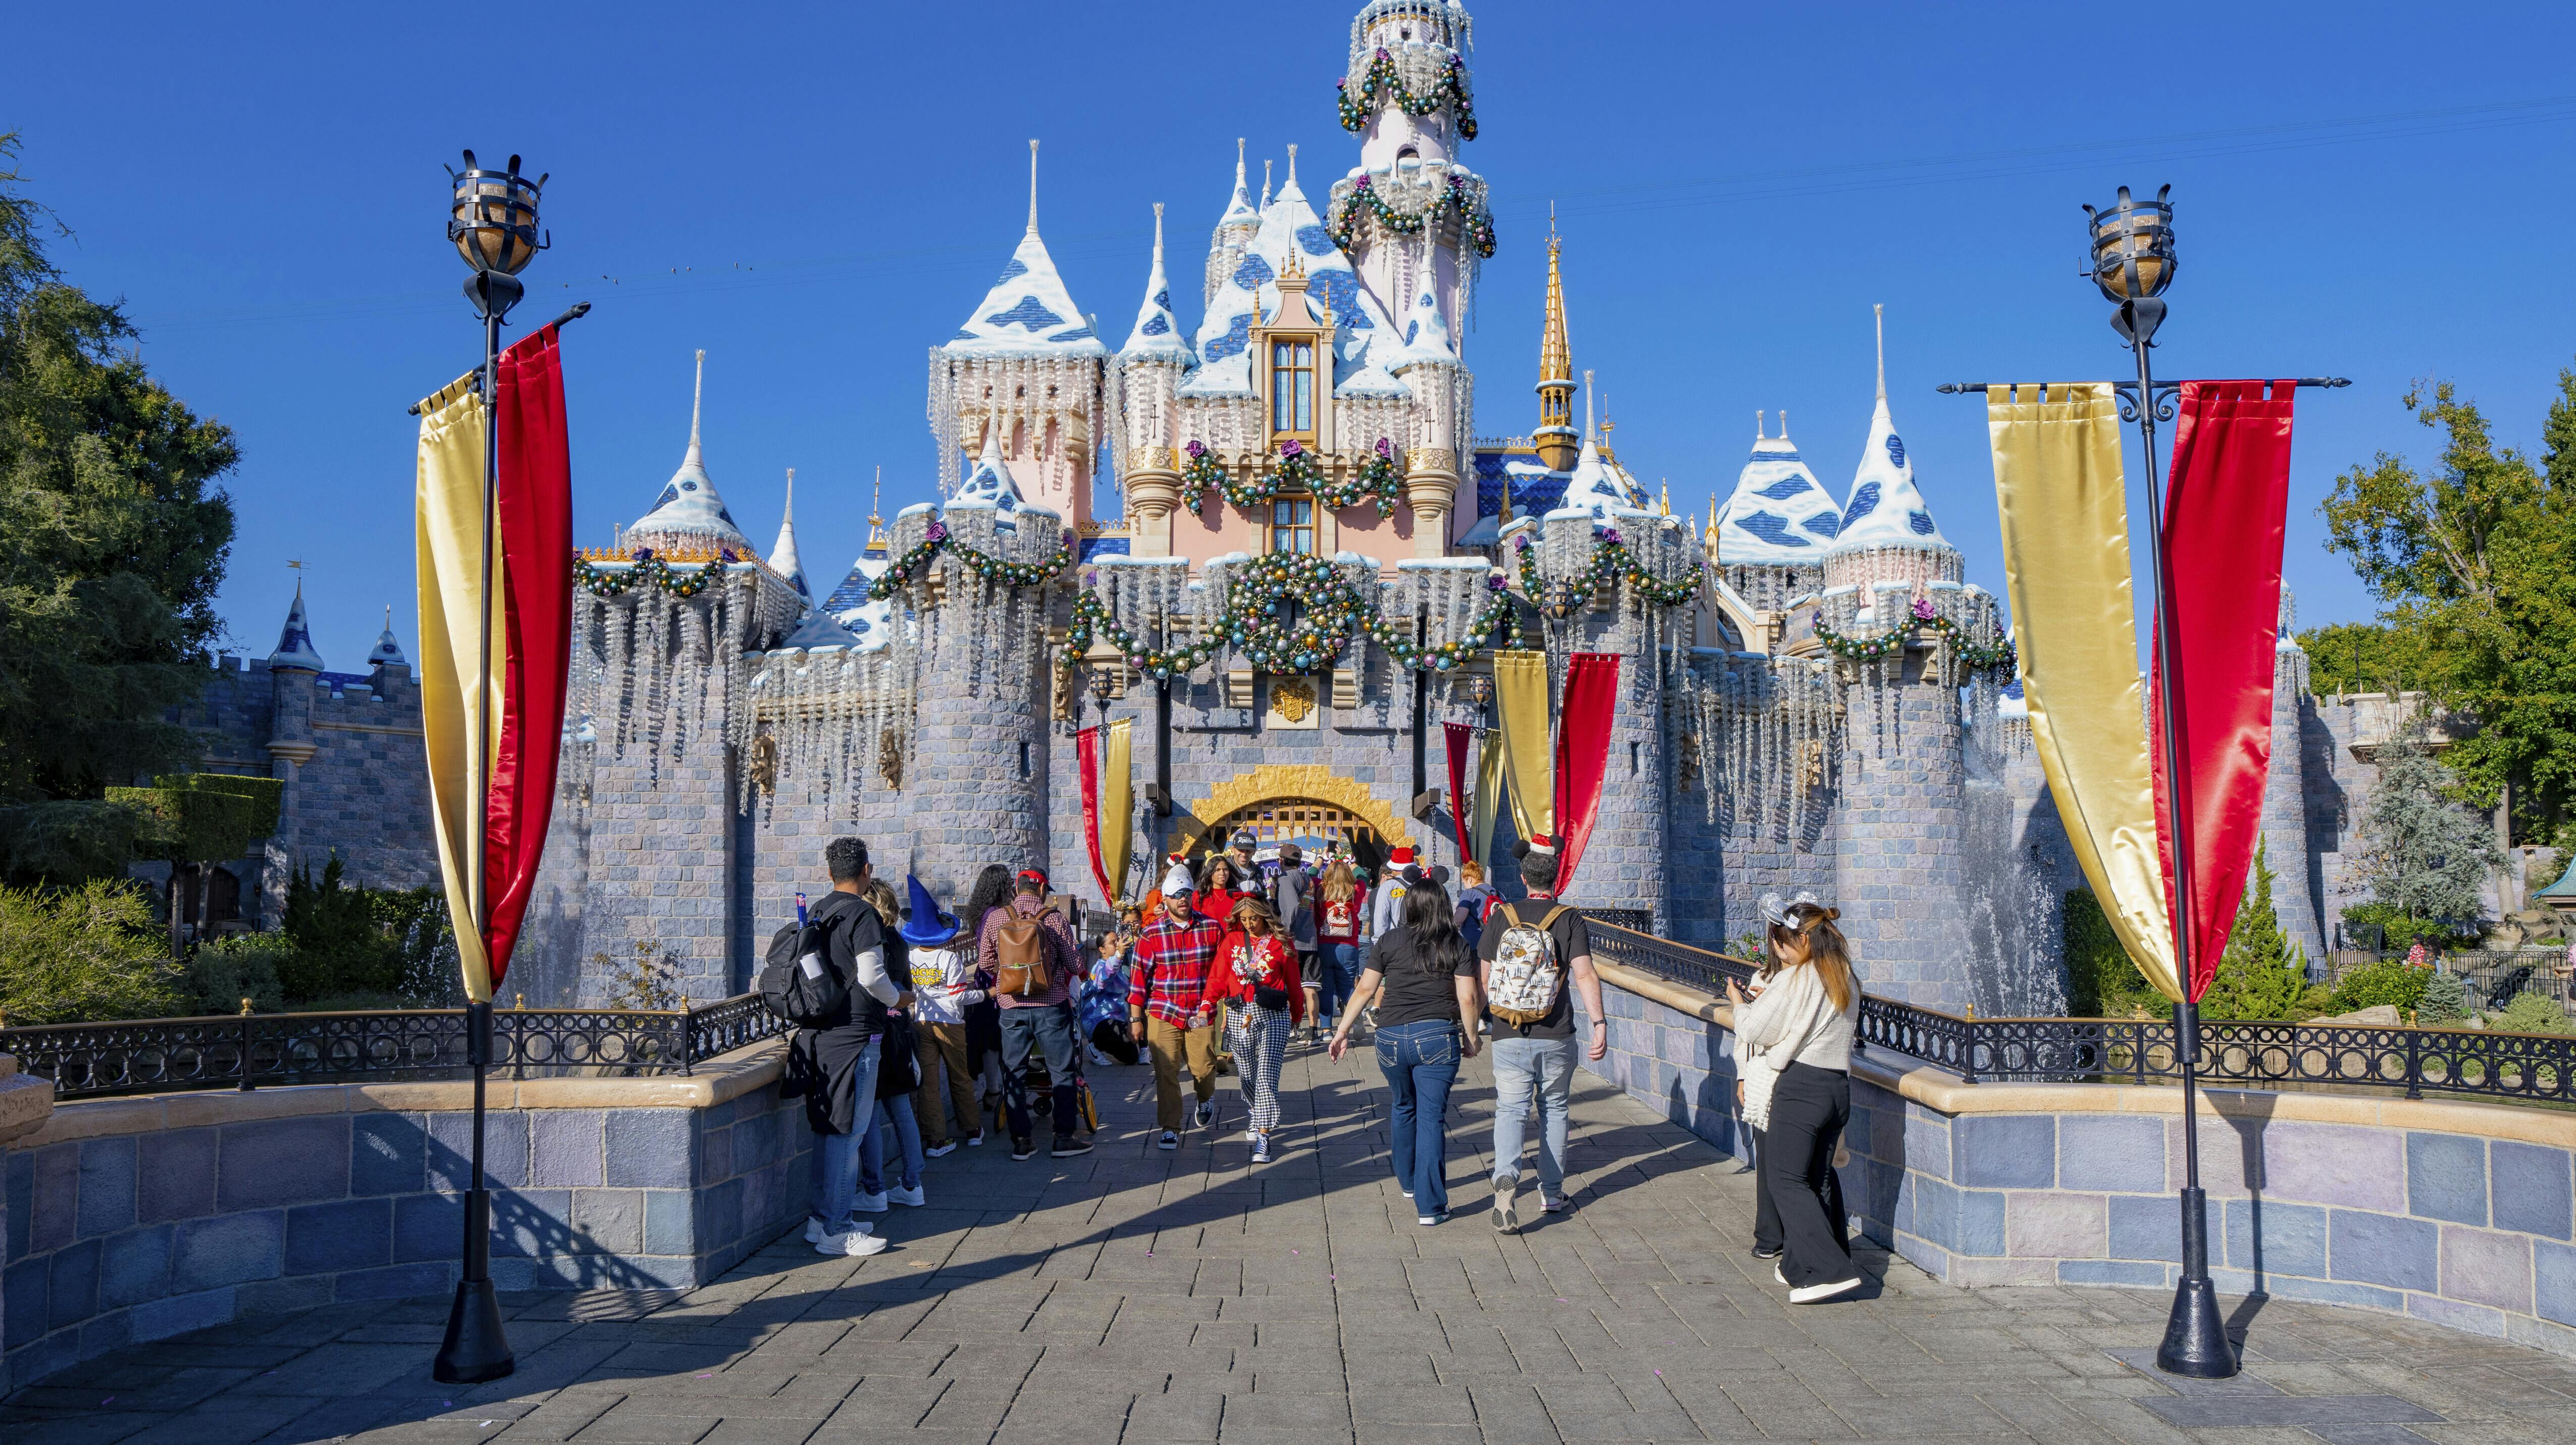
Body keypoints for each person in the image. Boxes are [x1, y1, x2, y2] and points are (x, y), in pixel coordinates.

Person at [1724, 894, 1863, 1304]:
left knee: (1785, 1179)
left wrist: (1737, 1002)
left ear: (1799, 941)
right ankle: (1803, 1263)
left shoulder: (1797, 978)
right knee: (1816, 1178)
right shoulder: (1844, 974)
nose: (1778, 950)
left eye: (1780, 941)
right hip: (1837, 1086)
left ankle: (1830, 1270)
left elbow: (1754, 1028)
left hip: (1802, 1087)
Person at [1331, 876, 1478, 1223]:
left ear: (1407, 906)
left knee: (1402, 1105)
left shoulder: (1389, 940)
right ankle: (1430, 1206)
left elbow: (1366, 988)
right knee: (1431, 1117)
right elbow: (1468, 997)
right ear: (1443, 906)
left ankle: (1408, 1181)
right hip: (1436, 1036)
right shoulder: (1455, 943)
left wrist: (1341, 1030)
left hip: (1391, 1037)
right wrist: (1471, 1037)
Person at [1479, 835, 1608, 1233]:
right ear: (1556, 878)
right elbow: (1584, 972)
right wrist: (1599, 1023)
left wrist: (1503, 1007)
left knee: (1511, 1109)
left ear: (1522, 876)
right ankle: (1551, 1193)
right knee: (1554, 1108)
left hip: (1508, 1031)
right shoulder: (1568, 917)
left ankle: (1505, 1187)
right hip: (1556, 1031)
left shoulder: (1502, 915)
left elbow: (1484, 975)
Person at [784, 836, 904, 1257]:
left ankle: (821, 1220)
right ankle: (838, 1227)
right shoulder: (864, 914)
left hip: (818, 1035)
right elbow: (873, 977)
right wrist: (900, 999)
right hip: (855, 1035)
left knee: (826, 1129)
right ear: (867, 871)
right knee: (848, 1133)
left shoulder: (818, 910)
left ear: (830, 871)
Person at [980, 869, 1085, 1160]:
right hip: (1051, 1006)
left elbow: (986, 962)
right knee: (1061, 1071)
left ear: (1017, 888)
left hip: (1011, 1007)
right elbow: (1074, 962)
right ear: (1041, 891)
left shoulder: (996, 918)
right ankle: (1064, 1138)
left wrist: (1011, 979)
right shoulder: (1053, 918)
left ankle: (1022, 1141)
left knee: (1014, 1073)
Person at [1201, 896, 1303, 1163]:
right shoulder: (1232, 941)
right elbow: (1218, 976)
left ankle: (1264, 1137)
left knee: (1266, 1074)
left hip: (1274, 1014)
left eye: (1253, 919)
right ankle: (1256, 1112)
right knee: (1247, 1074)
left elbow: (1294, 980)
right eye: (1244, 920)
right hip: (1238, 1012)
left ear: (1264, 916)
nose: (1249, 924)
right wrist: (1207, 1003)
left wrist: (1297, 1013)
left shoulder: (1281, 942)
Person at [1128, 889, 1224, 1147]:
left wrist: (1226, 1006)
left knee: (1204, 1069)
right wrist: (1135, 1019)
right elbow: (1138, 980)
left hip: (1200, 1011)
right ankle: (1170, 1127)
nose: (1182, 899)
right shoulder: (1151, 934)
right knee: (1166, 1071)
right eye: (1175, 895)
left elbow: (1223, 970)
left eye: (1186, 894)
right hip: (1164, 1010)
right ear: (1165, 900)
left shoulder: (1212, 927)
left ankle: (1205, 1098)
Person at [901, 875, 984, 1156]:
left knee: (929, 1082)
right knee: (959, 1076)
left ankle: (936, 1139)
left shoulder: (910, 958)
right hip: (950, 1023)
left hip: (923, 1021)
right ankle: (972, 1130)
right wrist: (987, 994)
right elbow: (959, 995)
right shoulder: (949, 958)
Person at [1734, 903, 1791, 1262]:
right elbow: (1747, 1036)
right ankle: (1770, 1235)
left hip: (1792, 1074)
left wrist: (1740, 1004)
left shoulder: (1808, 980)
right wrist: (1741, 1074)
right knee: (1767, 1157)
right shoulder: (1764, 978)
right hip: (1762, 1076)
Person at [958, 863, 1015, 1121]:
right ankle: (997, 1091)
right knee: (997, 1038)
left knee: (989, 1040)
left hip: (983, 979)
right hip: (996, 981)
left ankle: (994, 1091)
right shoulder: (999, 914)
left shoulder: (980, 913)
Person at [1314, 857, 1367, 1039]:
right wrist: (1351, 861)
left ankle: (1327, 1030)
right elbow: (1363, 875)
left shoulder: (1320, 890)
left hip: (1324, 945)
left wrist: (1319, 860)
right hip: (1348, 946)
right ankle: (1356, 1014)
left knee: (1326, 988)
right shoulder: (1356, 890)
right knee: (1347, 986)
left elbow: (1311, 874)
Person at [1080, 907, 1141, 1066]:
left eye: (1117, 940)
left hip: (1119, 1019)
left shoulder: (1120, 969)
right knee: (1114, 1037)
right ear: (1102, 950)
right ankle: (1095, 1046)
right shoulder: (1099, 967)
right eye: (1113, 943)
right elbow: (1103, 979)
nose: (1117, 944)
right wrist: (1120, 955)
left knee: (1132, 1057)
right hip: (1099, 1021)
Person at [1274, 843, 1320, 1040]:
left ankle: (1292, 1027)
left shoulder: (1286, 878)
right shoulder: (1306, 878)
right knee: (1310, 987)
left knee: (1288, 986)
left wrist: (1285, 930)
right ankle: (1313, 1031)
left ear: (1281, 861)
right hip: (1310, 938)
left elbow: (1291, 906)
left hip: (1294, 941)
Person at [1372, 846, 1417, 939]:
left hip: (1394, 939)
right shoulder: (1422, 884)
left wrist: (1378, 942)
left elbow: (1381, 917)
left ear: (1393, 868)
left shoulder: (1388, 886)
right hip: (1418, 940)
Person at [1453, 861, 1494, 955]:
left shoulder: (1469, 893)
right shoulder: (1498, 893)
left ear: (1470, 879)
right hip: (1493, 944)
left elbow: (1459, 918)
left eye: (1464, 883)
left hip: (1474, 945)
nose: (1465, 886)